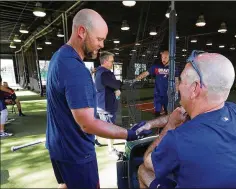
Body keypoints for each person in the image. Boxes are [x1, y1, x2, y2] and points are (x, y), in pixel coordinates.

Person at [45, 9, 148, 189]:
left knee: (66, 185)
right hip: (76, 151)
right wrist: (130, 133)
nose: (102, 45)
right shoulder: (75, 69)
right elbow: (88, 124)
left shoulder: (59, 57)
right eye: (99, 39)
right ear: (82, 32)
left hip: (60, 146)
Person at [136, 50, 236, 188]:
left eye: (182, 81)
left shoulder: (179, 138)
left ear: (195, 88)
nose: (178, 87)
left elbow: (148, 162)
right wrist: (149, 124)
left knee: (143, 170)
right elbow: (180, 114)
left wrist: (170, 125)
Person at [130, 50, 179, 117]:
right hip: (158, 95)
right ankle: (159, 127)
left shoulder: (173, 68)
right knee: (157, 113)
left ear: (170, 58)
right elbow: (145, 74)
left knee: (168, 114)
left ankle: (168, 127)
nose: (163, 59)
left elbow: (176, 81)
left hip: (168, 95)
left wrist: (176, 92)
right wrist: (135, 80)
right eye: (162, 57)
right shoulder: (156, 67)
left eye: (165, 58)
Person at [95, 51, 122, 157]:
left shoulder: (98, 71)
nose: (112, 63)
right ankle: (111, 149)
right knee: (110, 127)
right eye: (111, 61)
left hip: (100, 104)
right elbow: (115, 84)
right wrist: (119, 85)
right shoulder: (105, 73)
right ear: (105, 61)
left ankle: (96, 140)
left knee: (99, 125)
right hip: (106, 106)